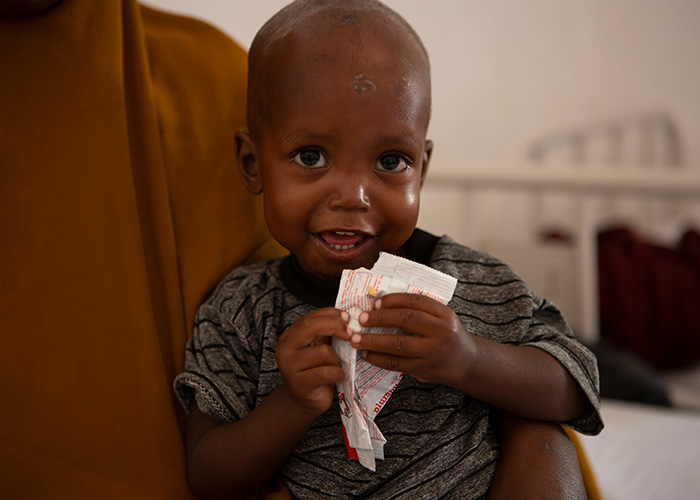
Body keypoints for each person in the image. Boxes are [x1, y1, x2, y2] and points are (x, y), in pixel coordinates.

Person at [174, 1, 603, 499]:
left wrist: (468, 359)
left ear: (420, 168)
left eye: (390, 160)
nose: (353, 196)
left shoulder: (468, 280)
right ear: (252, 164)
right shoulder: (243, 311)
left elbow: (577, 387)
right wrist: (290, 404)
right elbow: (207, 476)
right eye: (311, 157)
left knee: (548, 443)